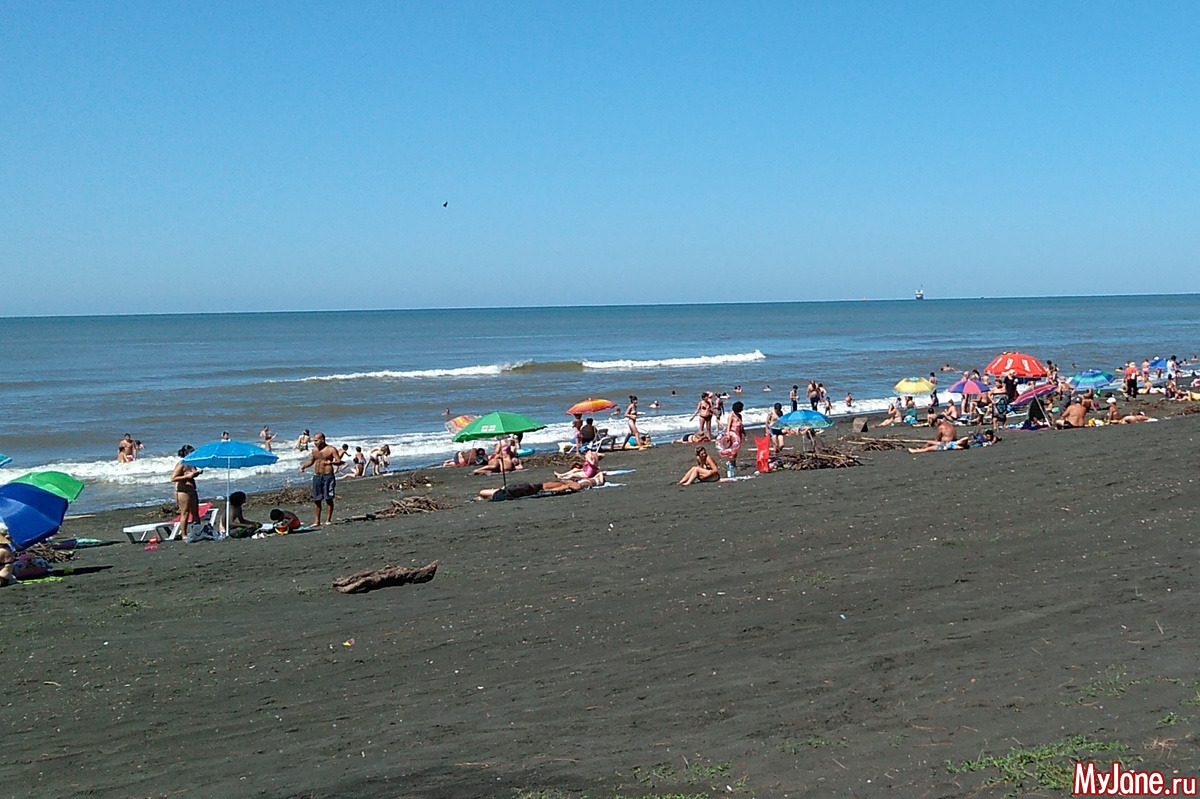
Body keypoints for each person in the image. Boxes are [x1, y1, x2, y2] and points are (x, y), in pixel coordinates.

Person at [299, 432, 339, 526]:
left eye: (316, 440)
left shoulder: (331, 449)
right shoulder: (314, 450)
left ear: (322, 440)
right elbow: (311, 461)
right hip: (317, 476)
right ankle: (317, 521)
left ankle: (328, 520)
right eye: (314, 441)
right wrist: (303, 466)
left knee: (328, 498)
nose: (314, 442)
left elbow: (338, 460)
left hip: (328, 476)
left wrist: (331, 463)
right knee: (317, 499)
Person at [478, 475, 604, 502]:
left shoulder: (500, 493)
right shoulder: (540, 488)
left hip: (512, 491)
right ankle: (596, 480)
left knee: (567, 484)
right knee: (568, 484)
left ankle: (596, 480)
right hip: (514, 490)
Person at [170, 445, 203, 538]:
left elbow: (193, 474)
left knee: (195, 513)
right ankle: (184, 535)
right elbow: (173, 478)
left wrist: (197, 473)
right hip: (183, 491)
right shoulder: (181, 464)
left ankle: (197, 532)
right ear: (186, 453)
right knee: (185, 513)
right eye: (191, 452)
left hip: (192, 490)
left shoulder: (192, 463)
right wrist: (187, 476)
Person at [716, 401, 745, 476]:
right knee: (731, 450)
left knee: (736, 450)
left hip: (738, 434)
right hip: (732, 434)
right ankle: (730, 463)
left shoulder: (740, 416)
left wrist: (744, 434)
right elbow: (728, 425)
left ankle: (734, 464)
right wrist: (728, 434)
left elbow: (741, 426)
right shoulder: (731, 415)